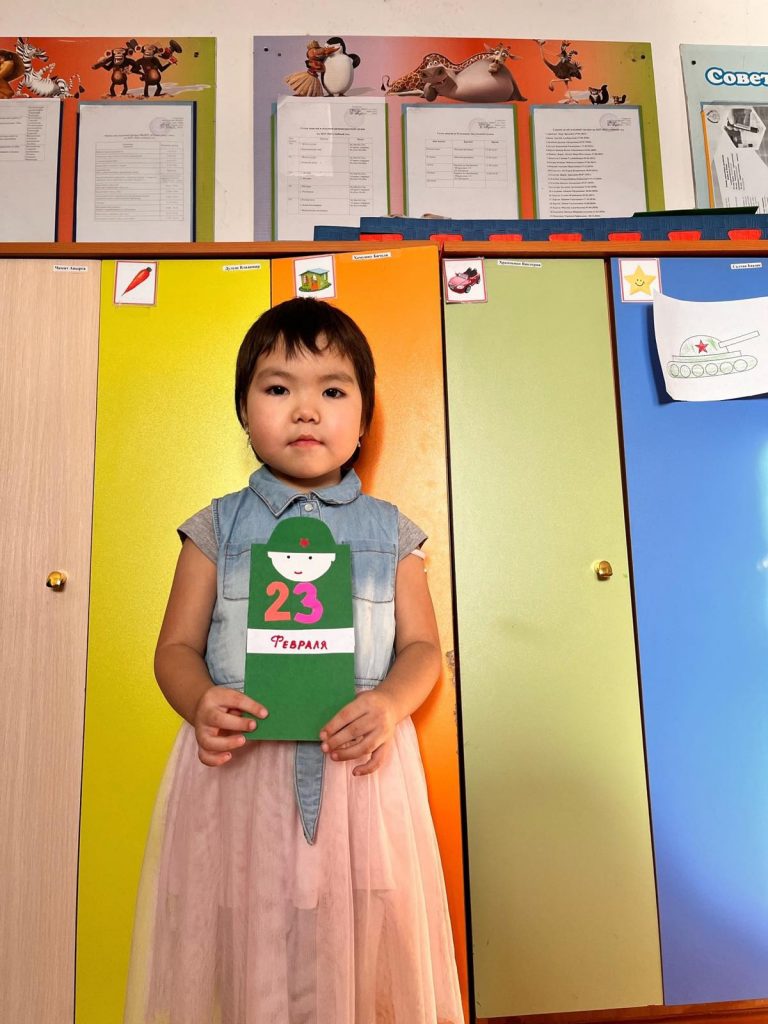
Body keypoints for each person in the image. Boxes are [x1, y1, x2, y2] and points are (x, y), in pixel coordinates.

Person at [124, 297, 463, 1024]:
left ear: (364, 419)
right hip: (242, 776)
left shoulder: (392, 533)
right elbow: (174, 649)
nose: (306, 410)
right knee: (249, 941)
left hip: (359, 775)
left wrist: (389, 704)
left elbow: (422, 649)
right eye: (279, 388)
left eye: (332, 391)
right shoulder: (215, 528)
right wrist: (198, 700)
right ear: (244, 413)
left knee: (359, 943)